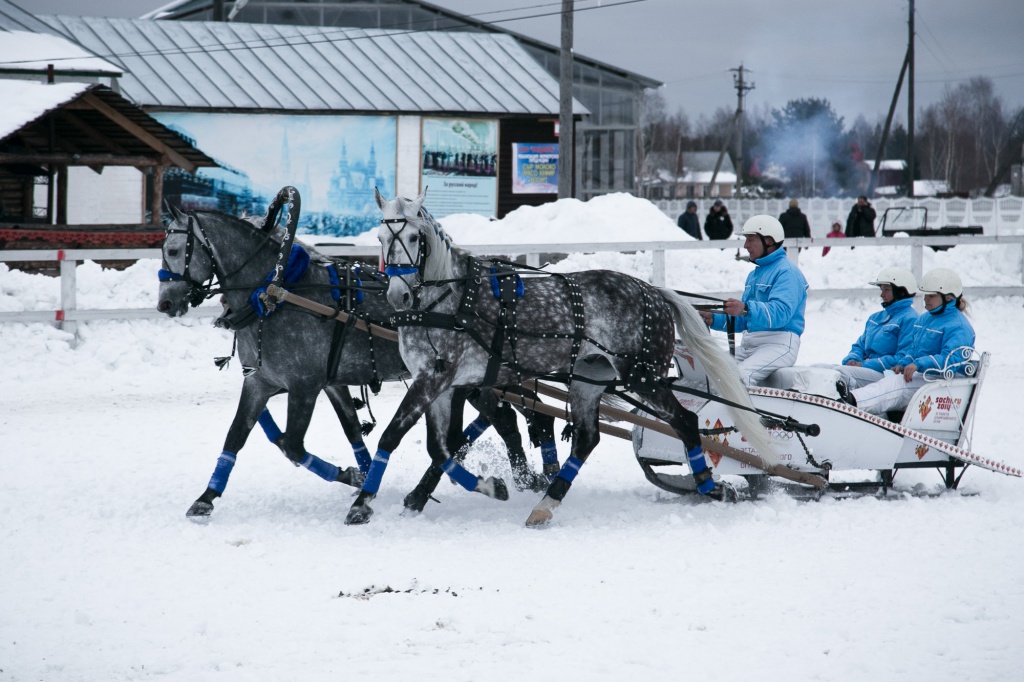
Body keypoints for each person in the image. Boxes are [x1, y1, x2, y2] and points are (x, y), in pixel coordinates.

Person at [838, 268, 975, 415]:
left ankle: (851, 402)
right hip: (921, 376)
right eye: (925, 295)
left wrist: (919, 364)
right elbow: (913, 350)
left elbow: (951, 360)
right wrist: (902, 364)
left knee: (895, 385)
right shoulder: (925, 319)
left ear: (948, 297)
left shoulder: (959, 327)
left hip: (939, 383)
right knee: (891, 381)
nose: (925, 299)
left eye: (931, 296)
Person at [698, 215, 808, 385]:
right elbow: (743, 321)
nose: (745, 245)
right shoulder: (754, 274)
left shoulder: (787, 272)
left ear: (769, 241)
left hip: (778, 344)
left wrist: (745, 308)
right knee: (714, 373)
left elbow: (781, 313)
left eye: (750, 239)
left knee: (740, 378)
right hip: (751, 345)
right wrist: (713, 318)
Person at [769, 267, 918, 392]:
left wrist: (864, 365)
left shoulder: (910, 319)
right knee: (816, 369)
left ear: (901, 291)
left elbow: (901, 358)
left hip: (883, 374)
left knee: (837, 374)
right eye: (881, 289)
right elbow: (859, 345)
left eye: (887, 289)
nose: (882, 294)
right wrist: (852, 359)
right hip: (863, 369)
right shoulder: (876, 317)